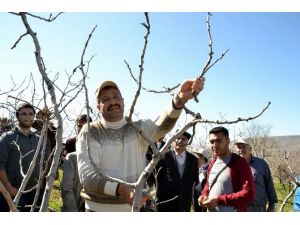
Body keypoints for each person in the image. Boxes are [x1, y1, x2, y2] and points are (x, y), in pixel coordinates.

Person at [77, 77, 205, 212]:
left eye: (116, 96)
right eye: (106, 99)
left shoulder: (137, 129)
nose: (113, 101)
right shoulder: (91, 131)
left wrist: (179, 100)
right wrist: (123, 190)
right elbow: (88, 177)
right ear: (98, 107)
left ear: (123, 101)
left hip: (135, 208)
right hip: (98, 210)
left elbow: (162, 126)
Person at [198, 126, 255, 212]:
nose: (214, 145)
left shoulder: (240, 162)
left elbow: (249, 193)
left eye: (219, 141)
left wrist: (219, 200)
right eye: (212, 142)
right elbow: (208, 184)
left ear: (228, 141)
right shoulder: (212, 163)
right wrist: (204, 194)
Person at [0, 103, 44, 211]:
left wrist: (41, 186)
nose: (27, 117)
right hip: (13, 192)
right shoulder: (7, 138)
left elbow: (42, 163)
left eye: (30, 114)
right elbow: (0, 166)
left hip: (34, 192)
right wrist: (10, 190)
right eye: (24, 114)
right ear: (17, 116)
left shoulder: (39, 139)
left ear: (34, 116)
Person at [155, 131, 199, 212]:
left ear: (187, 141)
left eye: (183, 139)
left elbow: (195, 181)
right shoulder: (164, 157)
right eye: (177, 138)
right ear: (172, 140)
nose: (180, 141)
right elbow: (156, 177)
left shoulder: (193, 160)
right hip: (165, 201)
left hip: (184, 202)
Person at [235, 137, 278, 212]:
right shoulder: (233, 165)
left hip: (258, 207)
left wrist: (272, 206)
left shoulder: (261, 164)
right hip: (239, 207)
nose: (241, 149)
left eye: (244, 147)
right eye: (239, 147)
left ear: (250, 149)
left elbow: (269, 184)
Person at [61, 114, 91, 212]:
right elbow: (66, 158)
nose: (82, 129)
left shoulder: (96, 145)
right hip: (73, 179)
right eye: (79, 126)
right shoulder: (71, 142)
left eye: (85, 126)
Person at [192, 147, 210, 212]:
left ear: (202, 158)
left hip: (204, 203)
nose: (195, 158)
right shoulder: (197, 170)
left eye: (197, 157)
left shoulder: (209, 170)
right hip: (196, 202)